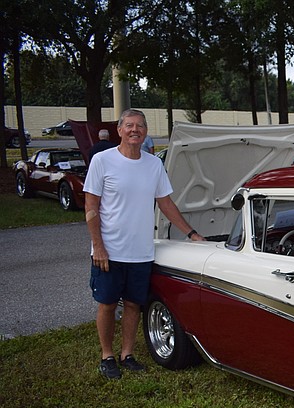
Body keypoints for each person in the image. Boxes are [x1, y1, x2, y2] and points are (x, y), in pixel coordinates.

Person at [84, 108, 205, 379]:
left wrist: (192, 233)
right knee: (106, 303)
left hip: (140, 252)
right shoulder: (102, 161)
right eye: (129, 125)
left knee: (133, 304)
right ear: (119, 130)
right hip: (109, 251)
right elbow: (91, 206)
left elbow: (166, 203)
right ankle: (107, 356)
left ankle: (127, 354)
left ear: (146, 131)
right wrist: (98, 246)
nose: (134, 130)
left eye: (139, 125)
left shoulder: (153, 165)